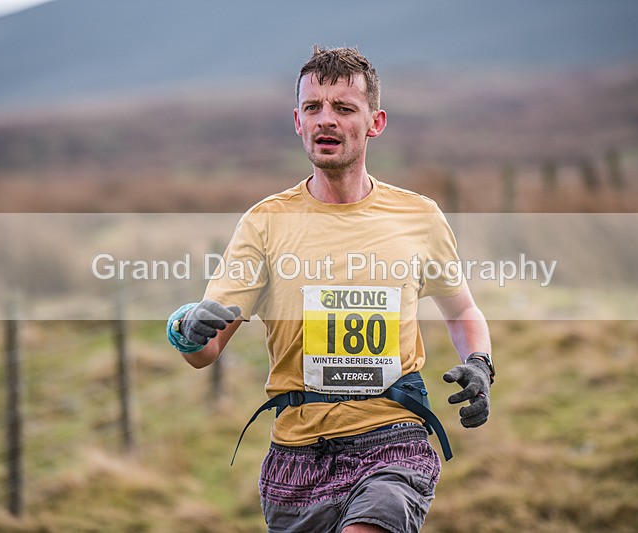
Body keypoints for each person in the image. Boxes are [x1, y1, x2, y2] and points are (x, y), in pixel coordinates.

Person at [167, 45, 493, 533]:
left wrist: (480, 364)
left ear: (375, 122)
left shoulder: (419, 217)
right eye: (313, 107)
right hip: (296, 454)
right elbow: (205, 351)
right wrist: (183, 328)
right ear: (297, 122)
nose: (326, 119)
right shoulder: (265, 223)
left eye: (343, 108)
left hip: (392, 438)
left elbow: (461, 309)